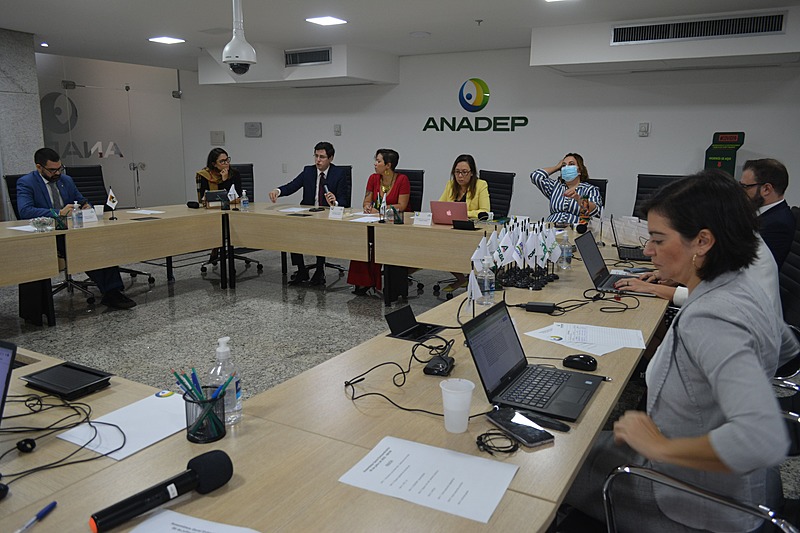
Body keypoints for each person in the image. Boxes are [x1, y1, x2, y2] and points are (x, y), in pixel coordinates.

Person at [564, 170, 798, 532]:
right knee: (577, 440)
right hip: (726, 478)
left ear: (702, 241)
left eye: (658, 239)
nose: (648, 250)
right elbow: (785, 347)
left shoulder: (713, 318)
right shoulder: (741, 285)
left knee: (551, 464)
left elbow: (762, 438)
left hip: (688, 496)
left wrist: (660, 448)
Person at [16, 148, 137, 309]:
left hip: (74, 229)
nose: (57, 173)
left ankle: (113, 291)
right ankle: (112, 292)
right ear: (39, 167)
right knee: (86, 248)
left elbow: (82, 200)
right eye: (52, 170)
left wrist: (86, 206)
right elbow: (25, 211)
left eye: (60, 168)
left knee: (102, 242)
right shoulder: (26, 182)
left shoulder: (66, 180)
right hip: (49, 233)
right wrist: (58, 213)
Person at [269, 142, 350, 286]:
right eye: (316, 156)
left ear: (331, 158)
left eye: (322, 157)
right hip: (308, 213)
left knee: (320, 232)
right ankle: (301, 270)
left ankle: (319, 271)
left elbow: (345, 199)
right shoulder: (308, 171)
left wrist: (335, 202)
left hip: (328, 215)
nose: (318, 160)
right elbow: (292, 186)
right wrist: (278, 191)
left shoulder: (339, 173)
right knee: (292, 230)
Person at [348, 148, 410, 295]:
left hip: (395, 224)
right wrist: (368, 207)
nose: (375, 164)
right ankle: (362, 281)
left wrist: (381, 210)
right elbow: (366, 201)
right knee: (361, 238)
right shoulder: (373, 178)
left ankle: (375, 281)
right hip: (374, 221)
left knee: (379, 242)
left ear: (388, 165)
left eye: (378, 161)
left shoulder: (402, 180)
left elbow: (402, 206)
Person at [438, 154, 490, 289]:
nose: (460, 176)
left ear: (472, 173)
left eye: (464, 172)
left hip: (471, 230)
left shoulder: (481, 185)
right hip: (451, 228)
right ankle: (461, 278)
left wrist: (463, 213)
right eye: (457, 172)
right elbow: (440, 206)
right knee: (438, 245)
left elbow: (484, 211)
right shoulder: (450, 185)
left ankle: (469, 279)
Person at [739, 158, 794, 269]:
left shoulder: (778, 224)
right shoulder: (756, 211)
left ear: (766, 189)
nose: (740, 192)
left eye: (745, 187)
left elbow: (748, 263)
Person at [530, 153, 602, 225]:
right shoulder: (555, 186)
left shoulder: (589, 189)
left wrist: (579, 199)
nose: (566, 167)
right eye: (564, 165)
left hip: (575, 227)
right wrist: (557, 167)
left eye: (571, 164)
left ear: (579, 170)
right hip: (552, 226)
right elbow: (536, 176)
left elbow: (596, 212)